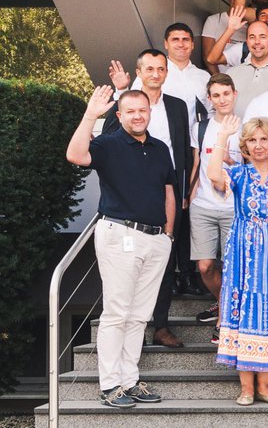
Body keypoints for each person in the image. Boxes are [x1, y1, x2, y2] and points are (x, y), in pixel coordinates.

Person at [66, 87, 175, 409]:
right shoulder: (108, 143)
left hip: (156, 239)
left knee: (140, 316)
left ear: (149, 112)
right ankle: (110, 385)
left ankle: (129, 380)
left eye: (142, 110)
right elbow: (75, 155)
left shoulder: (159, 148)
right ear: (120, 115)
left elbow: (168, 191)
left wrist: (168, 235)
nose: (137, 116)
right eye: (131, 111)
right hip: (120, 234)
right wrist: (90, 114)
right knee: (117, 313)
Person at [206, 116, 268, 405]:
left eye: (263, 139)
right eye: (252, 140)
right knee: (244, 310)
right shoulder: (238, 174)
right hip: (243, 251)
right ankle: (246, 388)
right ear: (245, 145)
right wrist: (222, 137)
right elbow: (214, 175)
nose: (259, 145)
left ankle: (265, 386)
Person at [104, 50, 192, 348]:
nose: (156, 74)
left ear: (167, 72)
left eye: (161, 69)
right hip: (130, 196)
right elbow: (108, 136)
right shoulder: (128, 104)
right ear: (139, 72)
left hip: (167, 192)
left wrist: (183, 191)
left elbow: (183, 151)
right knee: (129, 268)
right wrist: (120, 92)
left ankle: (161, 326)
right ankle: (132, 330)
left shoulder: (177, 106)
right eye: (150, 69)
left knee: (164, 260)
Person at [188, 75, 240, 335]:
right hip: (203, 206)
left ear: (235, 94)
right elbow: (197, 165)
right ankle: (224, 304)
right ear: (209, 99)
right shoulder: (200, 128)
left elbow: (254, 168)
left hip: (234, 208)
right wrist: (190, 197)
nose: (222, 99)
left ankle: (226, 317)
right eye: (216, 95)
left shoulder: (246, 127)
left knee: (232, 266)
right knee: (205, 266)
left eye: (226, 93)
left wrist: (231, 161)